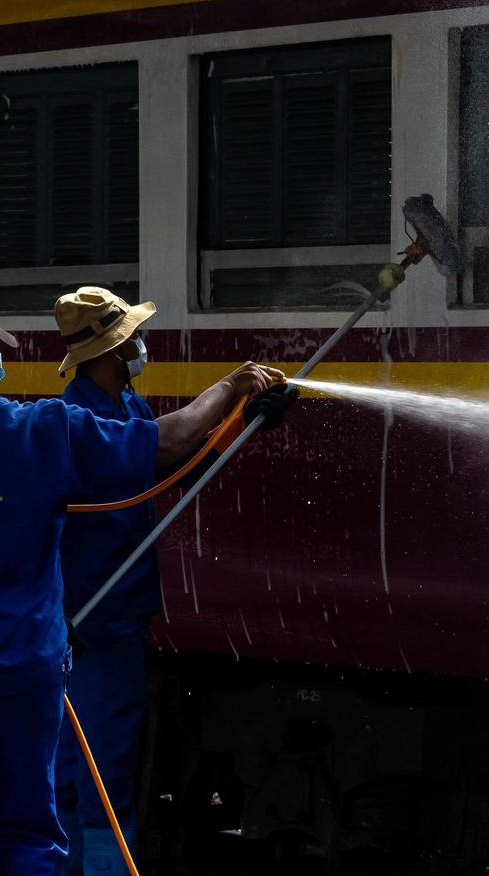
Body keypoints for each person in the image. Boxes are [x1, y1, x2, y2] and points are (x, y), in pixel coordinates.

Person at [0, 288, 280, 876]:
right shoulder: (39, 430)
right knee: (30, 836)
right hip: (27, 675)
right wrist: (231, 388)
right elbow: (167, 443)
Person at [51, 286, 296, 874]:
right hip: (88, 623)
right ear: (112, 351)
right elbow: (174, 441)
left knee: (103, 767)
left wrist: (247, 423)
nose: (141, 345)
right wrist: (231, 387)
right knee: (90, 772)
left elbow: (185, 465)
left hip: (117, 616)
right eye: (133, 337)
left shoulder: (127, 407)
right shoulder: (79, 421)